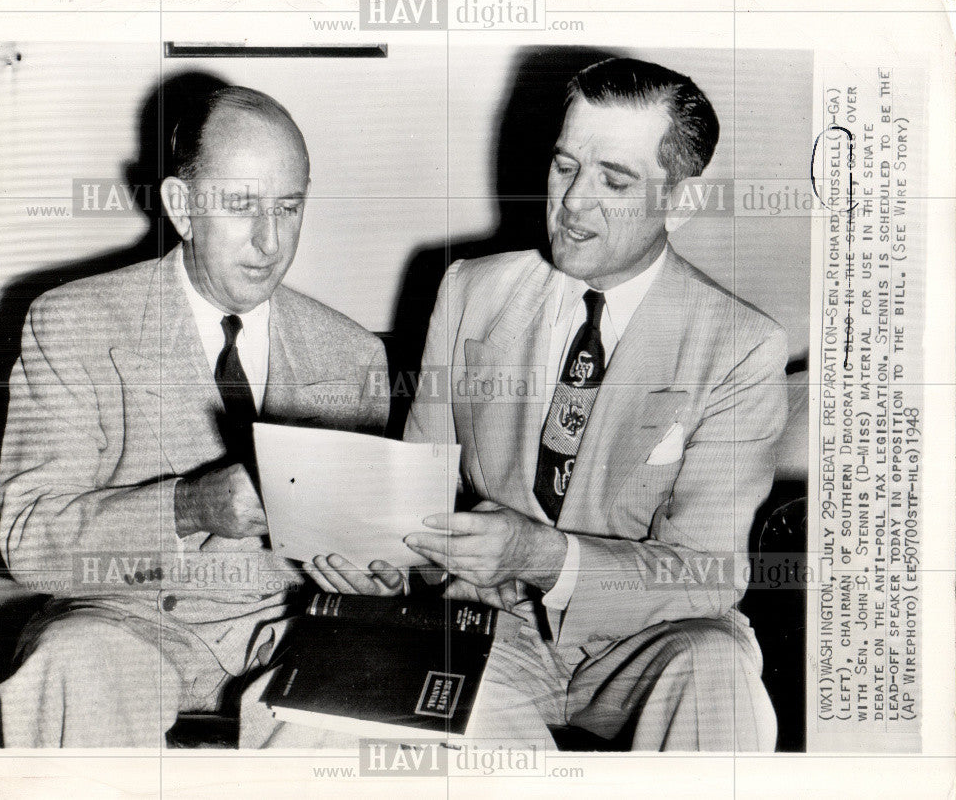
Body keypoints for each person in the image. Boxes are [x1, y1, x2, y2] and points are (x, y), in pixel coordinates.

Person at [305, 57, 787, 750]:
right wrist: (396, 563)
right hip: (490, 631)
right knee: (431, 696)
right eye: (565, 167)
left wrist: (544, 558)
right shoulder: (470, 290)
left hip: (648, 637)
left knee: (717, 668)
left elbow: (707, 572)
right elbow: (417, 496)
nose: (573, 202)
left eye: (613, 180)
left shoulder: (740, 346)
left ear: (681, 200)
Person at [0, 86, 389, 747]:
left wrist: (379, 574)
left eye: (289, 207)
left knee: (359, 692)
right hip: (123, 621)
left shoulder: (354, 354)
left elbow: (372, 557)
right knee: (76, 663)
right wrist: (188, 506)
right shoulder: (73, 321)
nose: (270, 240)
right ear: (181, 206)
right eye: (241, 206)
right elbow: (29, 543)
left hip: (288, 632)